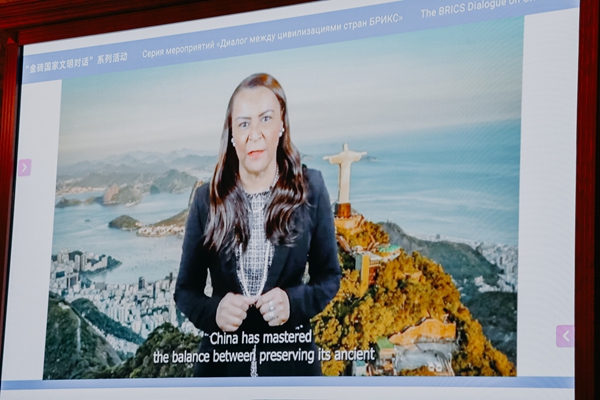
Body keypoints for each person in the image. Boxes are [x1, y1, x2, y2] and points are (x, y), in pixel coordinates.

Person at [175, 73, 341, 377]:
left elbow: (329, 276)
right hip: (221, 372)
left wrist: (293, 303)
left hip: (292, 369)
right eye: (243, 124)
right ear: (232, 134)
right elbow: (186, 291)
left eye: (265, 119)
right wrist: (215, 312)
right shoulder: (206, 200)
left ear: (282, 125)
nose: (254, 134)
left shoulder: (310, 189)